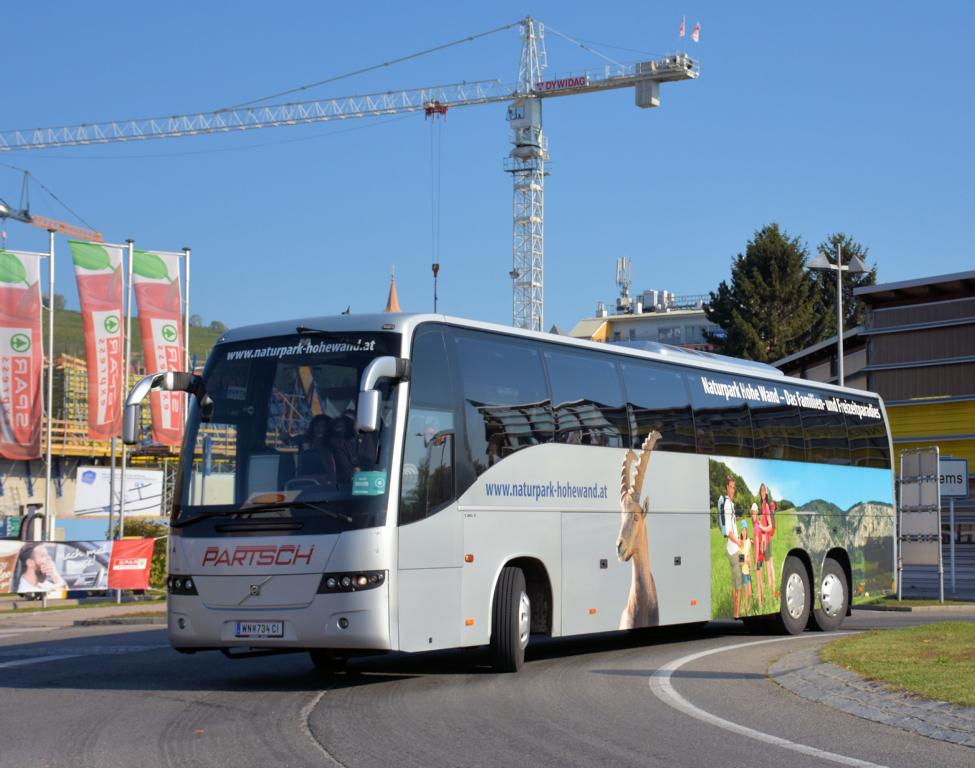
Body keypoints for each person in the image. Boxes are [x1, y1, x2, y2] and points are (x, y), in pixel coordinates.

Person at [721, 476, 744, 619]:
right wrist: (739, 542)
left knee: (739, 574)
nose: (733, 490)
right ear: (726, 488)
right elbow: (729, 533)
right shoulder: (727, 505)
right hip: (734, 549)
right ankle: (736, 613)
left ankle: (736, 610)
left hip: (734, 549)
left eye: (734, 487)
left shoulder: (730, 503)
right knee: (739, 582)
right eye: (731, 487)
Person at [758, 483, 777, 599]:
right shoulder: (763, 505)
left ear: (766, 493)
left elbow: (770, 526)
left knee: (769, 568)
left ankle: (771, 594)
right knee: (771, 567)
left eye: (764, 491)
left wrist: (762, 528)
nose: (763, 493)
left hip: (768, 541)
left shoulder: (765, 506)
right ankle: (773, 592)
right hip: (767, 540)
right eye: (761, 491)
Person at [750, 501, 766, 606]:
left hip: (758, 557)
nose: (753, 515)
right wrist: (753, 542)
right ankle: (763, 599)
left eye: (754, 513)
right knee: (760, 579)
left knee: (758, 579)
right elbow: (759, 541)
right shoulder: (758, 525)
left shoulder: (756, 527)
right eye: (752, 513)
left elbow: (757, 544)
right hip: (761, 556)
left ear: (756, 513)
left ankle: (760, 603)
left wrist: (755, 561)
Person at [739, 519, 753, 614]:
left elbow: (750, 555)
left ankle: (748, 610)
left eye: (745, 529)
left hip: (748, 571)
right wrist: (746, 561)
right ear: (741, 531)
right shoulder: (740, 543)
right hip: (743, 572)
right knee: (747, 593)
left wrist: (750, 564)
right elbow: (740, 561)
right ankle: (746, 611)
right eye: (743, 530)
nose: (744, 531)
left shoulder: (748, 541)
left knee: (750, 594)